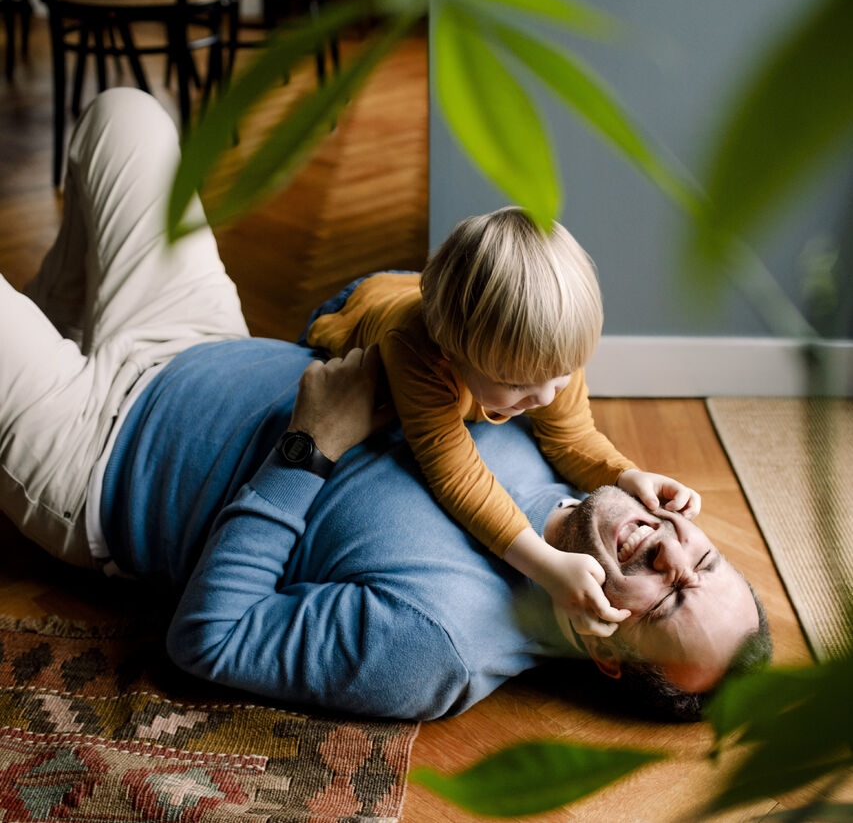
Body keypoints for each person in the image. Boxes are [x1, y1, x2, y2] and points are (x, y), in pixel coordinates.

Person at [0, 88, 770, 722]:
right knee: (125, 115)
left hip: (97, 455)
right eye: (702, 558)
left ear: (605, 649)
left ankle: (39, 361)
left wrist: (307, 447)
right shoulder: (568, 452)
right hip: (196, 336)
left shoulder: (436, 641)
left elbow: (208, 638)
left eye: (668, 598)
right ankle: (53, 325)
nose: (670, 553)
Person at [302, 210, 701, 641]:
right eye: (516, 384)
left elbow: (571, 438)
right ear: (451, 353)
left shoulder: (549, 352)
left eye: (562, 376)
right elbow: (456, 476)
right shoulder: (415, 352)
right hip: (361, 305)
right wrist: (546, 565)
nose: (544, 397)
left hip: (427, 291)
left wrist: (626, 475)